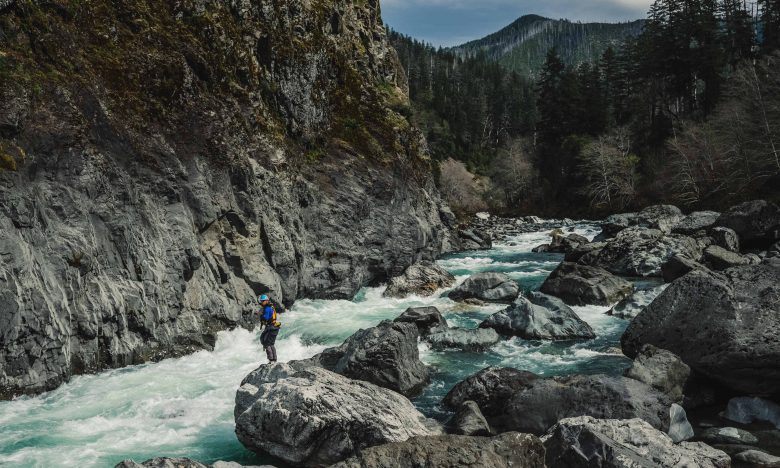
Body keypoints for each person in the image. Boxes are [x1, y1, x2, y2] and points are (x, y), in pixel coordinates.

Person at [258, 294, 282, 363]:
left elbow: (266, 318)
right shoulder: (270, 306)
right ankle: (274, 359)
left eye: (262, 301)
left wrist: (261, 316)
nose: (261, 303)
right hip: (274, 327)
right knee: (271, 343)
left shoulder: (267, 308)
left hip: (271, 328)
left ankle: (271, 360)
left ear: (266, 301)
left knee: (267, 343)